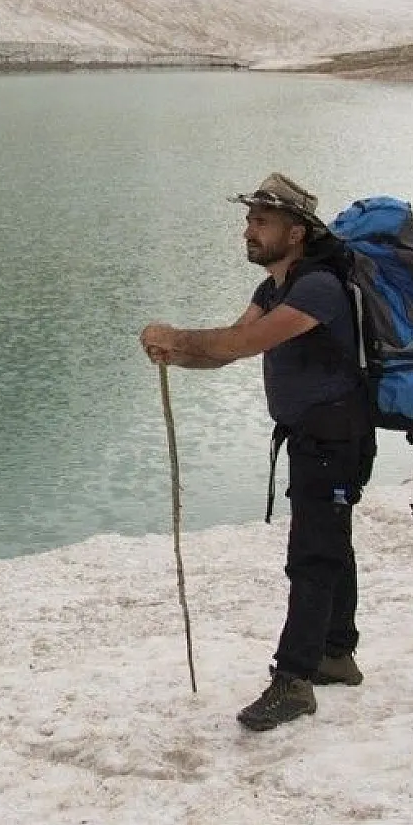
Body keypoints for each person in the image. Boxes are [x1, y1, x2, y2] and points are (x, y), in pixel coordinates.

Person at [140, 173, 374, 732]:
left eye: (261, 222)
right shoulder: (275, 288)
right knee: (330, 542)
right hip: (313, 437)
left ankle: (293, 681)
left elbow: (243, 343)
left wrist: (177, 335)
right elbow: (227, 349)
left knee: (312, 553)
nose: (248, 230)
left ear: (296, 233)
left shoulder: (317, 289)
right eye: (249, 219)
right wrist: (175, 355)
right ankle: (336, 653)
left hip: (335, 439)